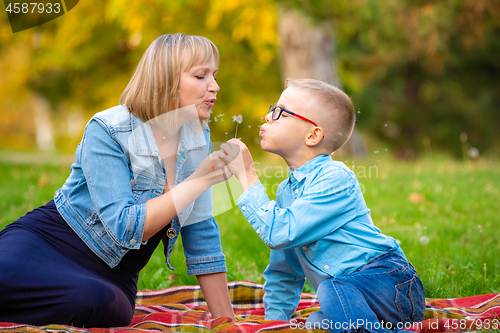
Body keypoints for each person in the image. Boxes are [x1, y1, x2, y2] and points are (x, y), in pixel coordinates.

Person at [0, 33, 236, 327]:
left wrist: (228, 322)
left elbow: (201, 233)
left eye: (214, 75)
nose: (214, 86)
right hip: (47, 244)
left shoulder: (196, 136)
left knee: (100, 303)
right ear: (166, 80)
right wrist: (199, 181)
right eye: (201, 76)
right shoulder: (109, 129)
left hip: (113, 276)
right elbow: (122, 228)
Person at [219, 79, 425, 333]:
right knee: (315, 323)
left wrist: (247, 174)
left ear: (313, 135)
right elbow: (284, 272)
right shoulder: (287, 192)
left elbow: (279, 232)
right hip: (356, 295)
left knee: (331, 290)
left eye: (279, 112)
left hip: (390, 283)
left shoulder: (336, 179)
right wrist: (275, 323)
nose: (267, 116)